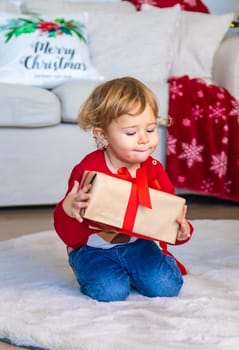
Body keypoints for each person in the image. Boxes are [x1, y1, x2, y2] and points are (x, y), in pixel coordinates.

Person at [54, 77, 193, 302]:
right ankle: (82, 263)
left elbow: (166, 217)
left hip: (138, 244)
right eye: (131, 133)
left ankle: (151, 264)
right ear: (103, 136)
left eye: (150, 129)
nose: (143, 140)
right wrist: (69, 208)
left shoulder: (154, 169)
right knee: (110, 292)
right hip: (95, 248)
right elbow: (65, 229)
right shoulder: (89, 170)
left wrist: (180, 232)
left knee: (168, 286)